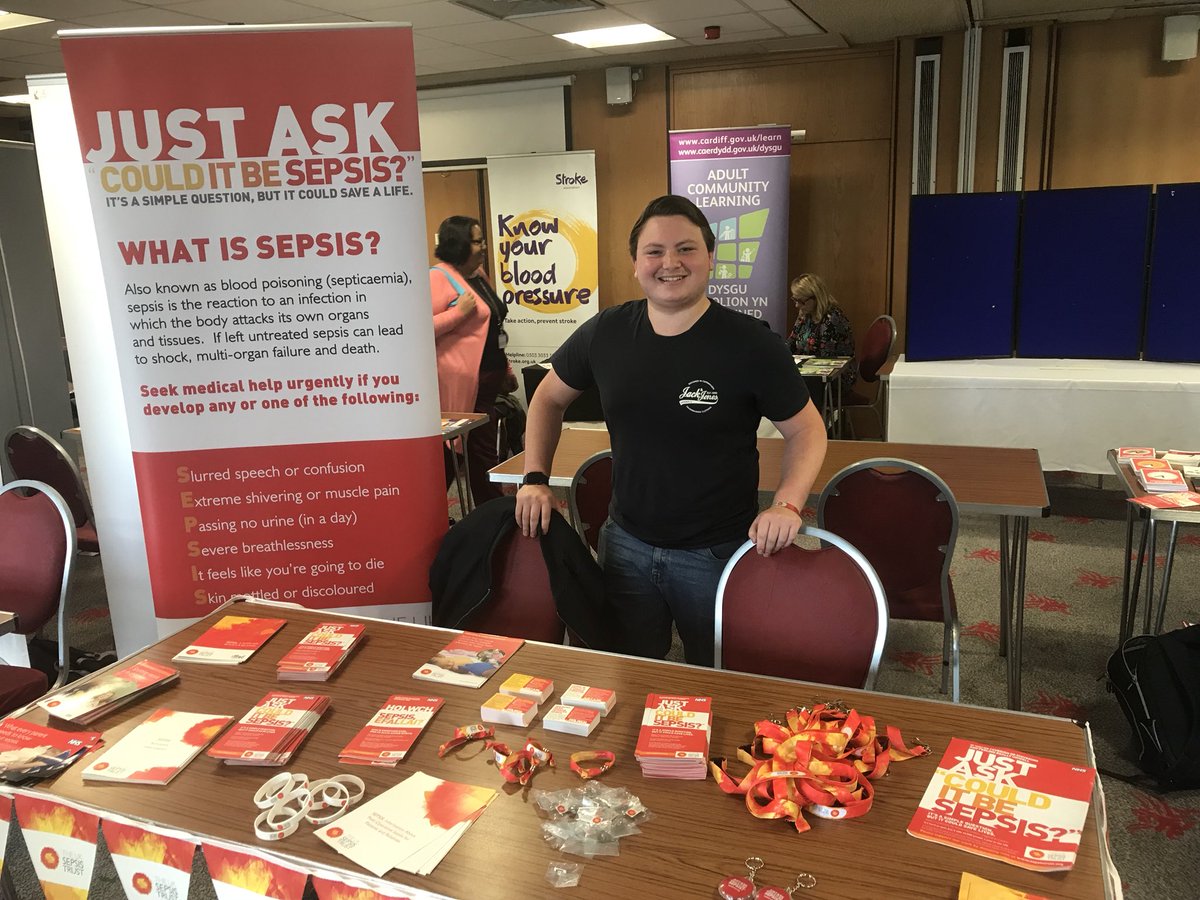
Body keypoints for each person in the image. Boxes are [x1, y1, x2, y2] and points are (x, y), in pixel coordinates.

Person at [514, 195, 828, 667]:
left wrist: (787, 502)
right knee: (631, 671)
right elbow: (546, 399)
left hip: (717, 551)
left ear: (709, 256)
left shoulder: (752, 344)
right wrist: (535, 477)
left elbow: (807, 431)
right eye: (655, 251)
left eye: (686, 249)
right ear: (636, 263)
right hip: (625, 545)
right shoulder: (607, 332)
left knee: (721, 675)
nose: (670, 263)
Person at [430, 216, 515, 506]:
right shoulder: (437, 277)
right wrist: (457, 313)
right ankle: (477, 514)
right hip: (461, 384)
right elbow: (417, 330)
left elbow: (494, 325)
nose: (483, 246)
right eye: (477, 241)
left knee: (481, 450)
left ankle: (487, 513)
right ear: (459, 245)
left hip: (488, 379)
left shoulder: (477, 274)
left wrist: (506, 369)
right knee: (462, 451)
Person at [787, 273, 858, 392]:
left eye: (801, 301)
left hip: (836, 377)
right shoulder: (805, 314)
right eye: (795, 299)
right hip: (810, 372)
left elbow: (826, 359)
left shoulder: (833, 320)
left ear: (816, 298)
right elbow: (791, 343)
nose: (797, 305)